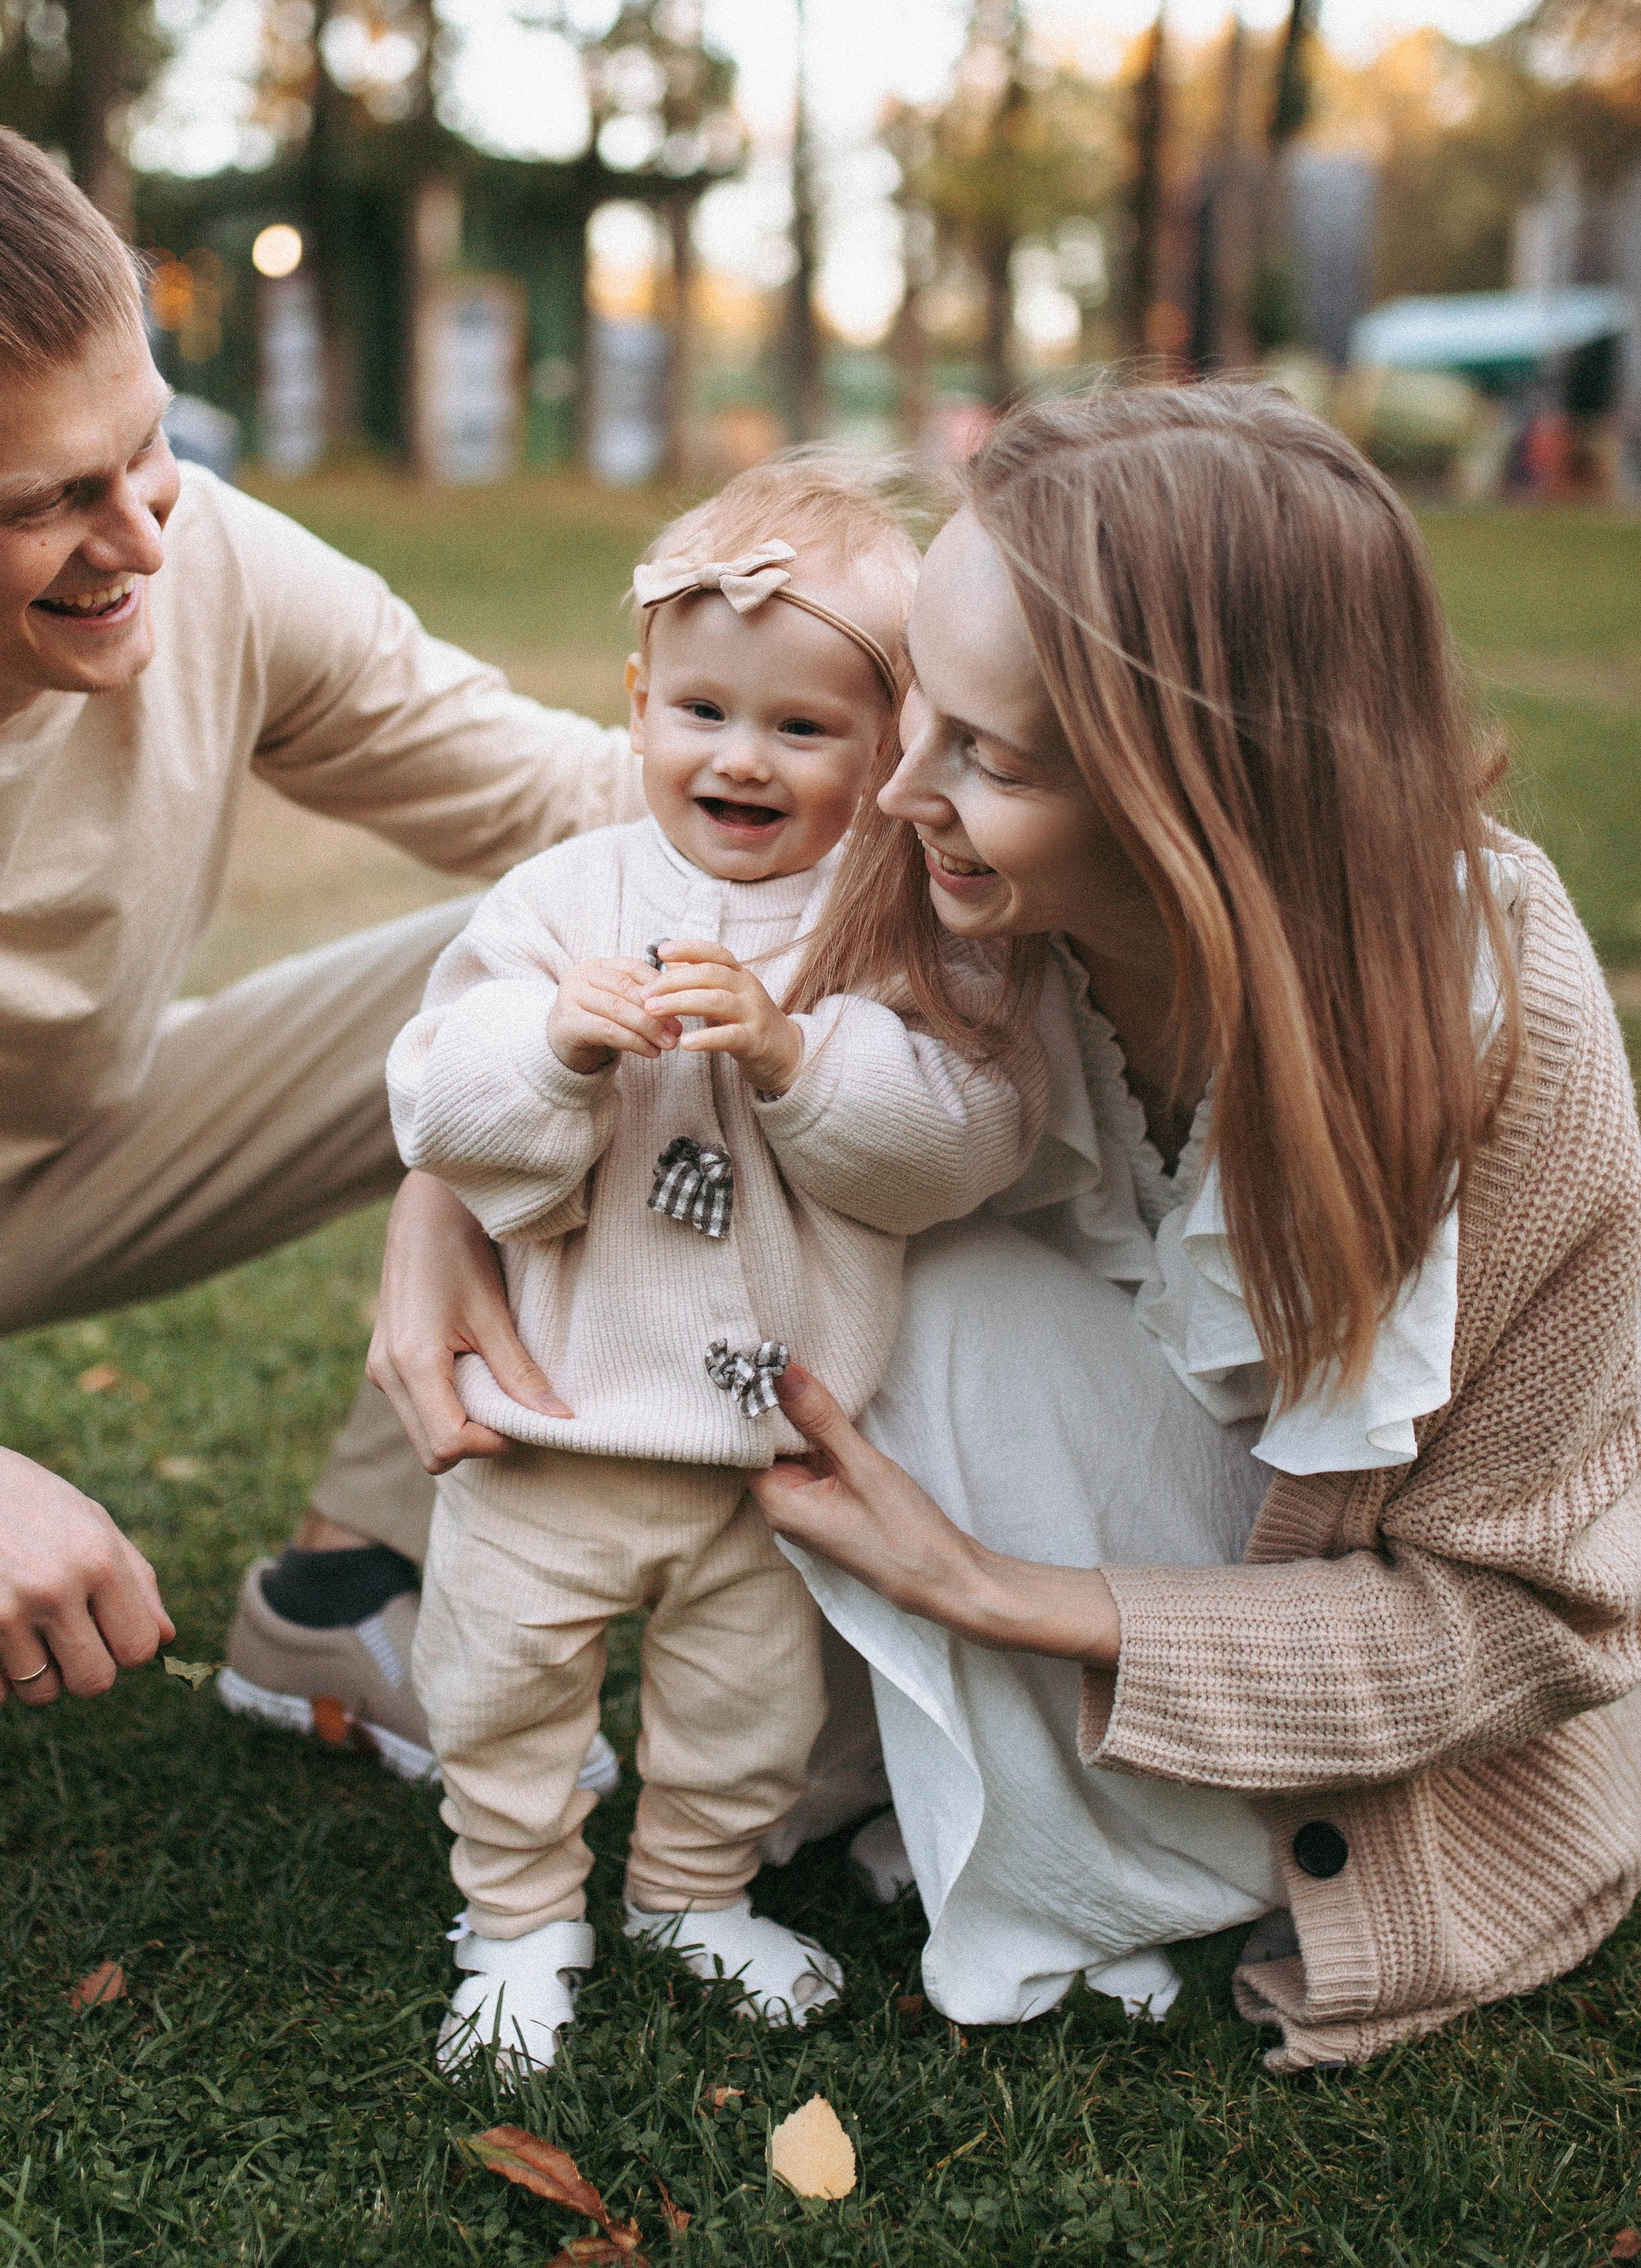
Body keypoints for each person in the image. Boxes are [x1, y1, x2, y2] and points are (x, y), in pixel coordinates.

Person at [357, 384, 1641, 2073]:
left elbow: (1531, 1623)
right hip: (1061, 1497)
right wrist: (436, 1204)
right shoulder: (944, 873)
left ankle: (1060, 1806)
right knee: (891, 1261)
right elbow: (602, 933)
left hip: (1306, 1683)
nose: (892, 793)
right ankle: (859, 1774)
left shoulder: (1496, 1028)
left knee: (935, 1292)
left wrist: (994, 1591)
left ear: (1195, 796)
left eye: (988, 754)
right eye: (911, 716)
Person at [0, 113, 639, 1838]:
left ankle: (345, 1598)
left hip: (123, 1135)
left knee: (612, 956)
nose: (138, 536)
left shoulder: (218, 562)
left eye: (145, 448)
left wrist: (947, 803)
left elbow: (573, 803)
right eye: (46, 500)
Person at [383, 466, 1043, 2071]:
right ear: (634, 704)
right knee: (502, 1691)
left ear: (888, 742)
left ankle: (690, 1892)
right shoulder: (561, 900)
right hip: (551, 1424)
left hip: (769, 1441)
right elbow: (435, 1103)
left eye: (803, 728)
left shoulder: (894, 932)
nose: (739, 757)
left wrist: (801, 1060)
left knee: (745, 1708)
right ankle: (520, 1916)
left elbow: (960, 1141)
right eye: (699, 710)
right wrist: (547, 1049)